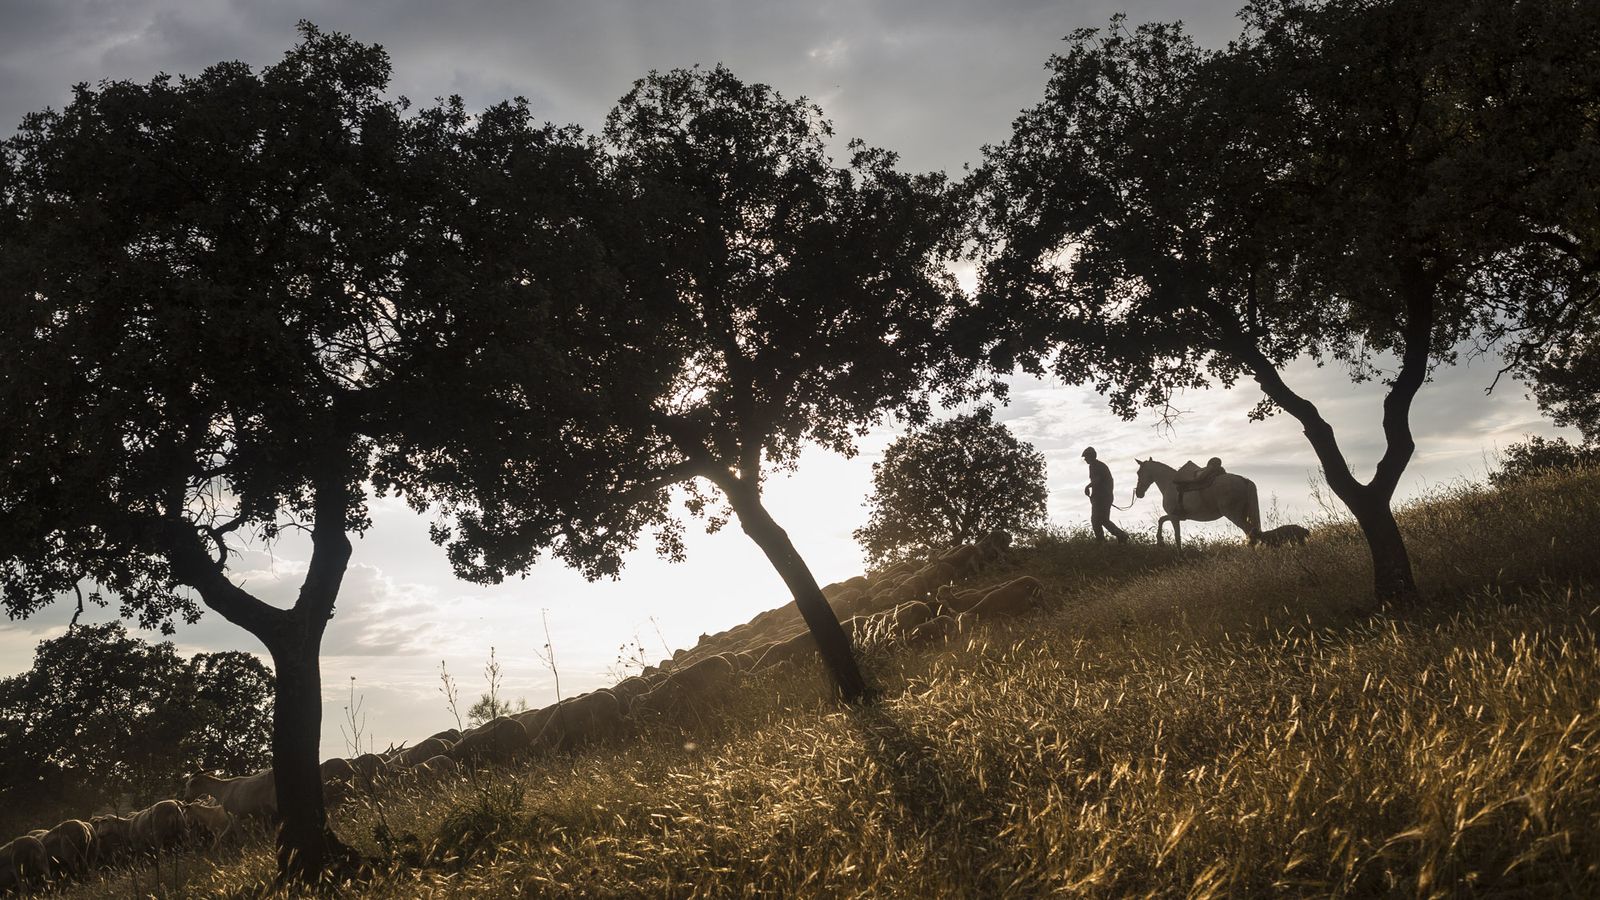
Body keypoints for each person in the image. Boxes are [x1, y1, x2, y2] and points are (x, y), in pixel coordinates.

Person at [1081, 447, 1128, 544]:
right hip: (1102, 497)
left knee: (1096, 520)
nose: (1085, 459)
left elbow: (1097, 480)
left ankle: (1102, 541)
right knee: (1103, 520)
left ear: (1091, 456)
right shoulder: (1096, 465)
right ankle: (1119, 536)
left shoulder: (1096, 466)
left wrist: (1087, 487)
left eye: (1086, 457)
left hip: (1102, 498)